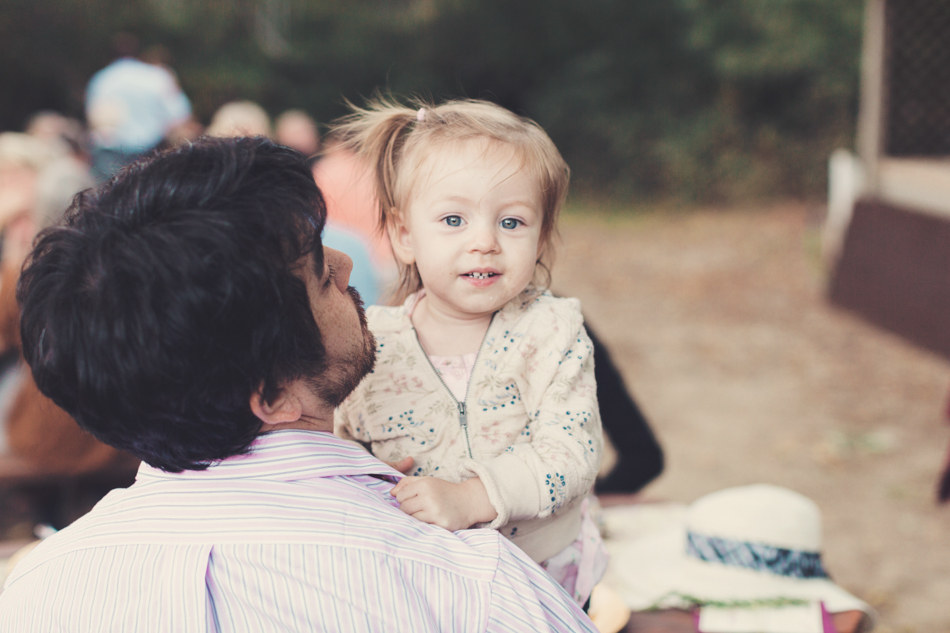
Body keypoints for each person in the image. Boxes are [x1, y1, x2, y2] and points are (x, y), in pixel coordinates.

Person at [0, 136, 596, 632]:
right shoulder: (471, 587)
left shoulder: (36, 592)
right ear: (271, 397)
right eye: (318, 274)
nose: (343, 263)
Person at [332, 98, 608, 607]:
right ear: (404, 235)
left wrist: (472, 497)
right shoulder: (370, 342)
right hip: (422, 575)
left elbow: (572, 453)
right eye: (454, 219)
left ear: (541, 237)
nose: (485, 242)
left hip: (543, 576)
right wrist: (366, 479)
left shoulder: (550, 330)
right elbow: (337, 445)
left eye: (512, 223)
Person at [85, 34, 193, 181]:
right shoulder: (156, 77)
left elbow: (93, 119)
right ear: (138, 54)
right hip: (151, 152)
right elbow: (180, 114)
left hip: (111, 154)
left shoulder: (100, 80)